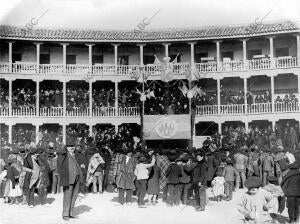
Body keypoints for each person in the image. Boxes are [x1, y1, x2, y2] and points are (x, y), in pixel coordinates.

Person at [57, 144, 83, 221]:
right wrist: (63, 151)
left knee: (74, 196)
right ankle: (65, 214)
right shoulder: (64, 155)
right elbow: (59, 162)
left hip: (77, 178)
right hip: (68, 179)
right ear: (66, 148)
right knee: (67, 197)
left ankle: (71, 213)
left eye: (73, 147)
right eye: (69, 147)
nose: (72, 148)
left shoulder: (76, 155)